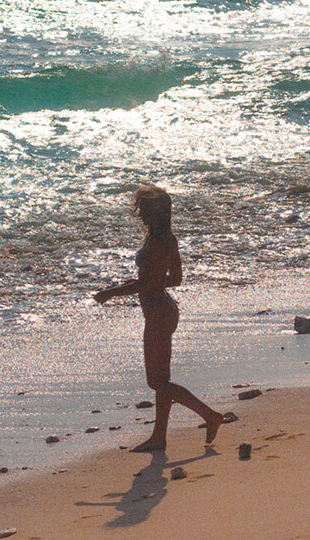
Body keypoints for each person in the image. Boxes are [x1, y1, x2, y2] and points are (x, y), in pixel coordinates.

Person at [93, 184, 224, 452]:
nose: (140, 215)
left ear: (156, 211)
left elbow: (152, 283)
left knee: (158, 382)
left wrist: (112, 292)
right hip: (163, 310)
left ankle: (209, 415)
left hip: (158, 313)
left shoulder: (159, 240)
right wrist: (141, 283)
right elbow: (174, 279)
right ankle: (159, 437)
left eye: (144, 210)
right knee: (161, 381)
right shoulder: (165, 238)